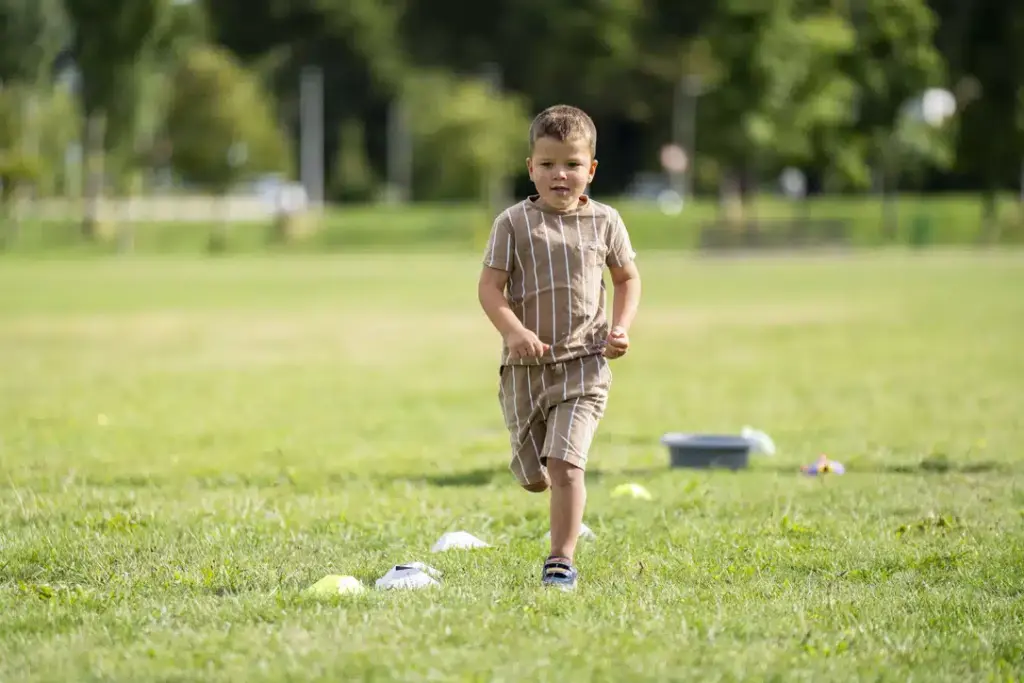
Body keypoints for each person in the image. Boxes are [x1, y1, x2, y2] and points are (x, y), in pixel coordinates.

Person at [477, 104, 642, 590]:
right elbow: (489, 288)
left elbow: (627, 278)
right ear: (531, 167)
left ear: (591, 169)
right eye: (548, 164)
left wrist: (621, 327)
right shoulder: (513, 223)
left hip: (584, 367)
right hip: (525, 371)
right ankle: (548, 483)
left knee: (566, 466)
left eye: (572, 164)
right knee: (535, 475)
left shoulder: (605, 221)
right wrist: (514, 331)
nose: (560, 174)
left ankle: (560, 561)